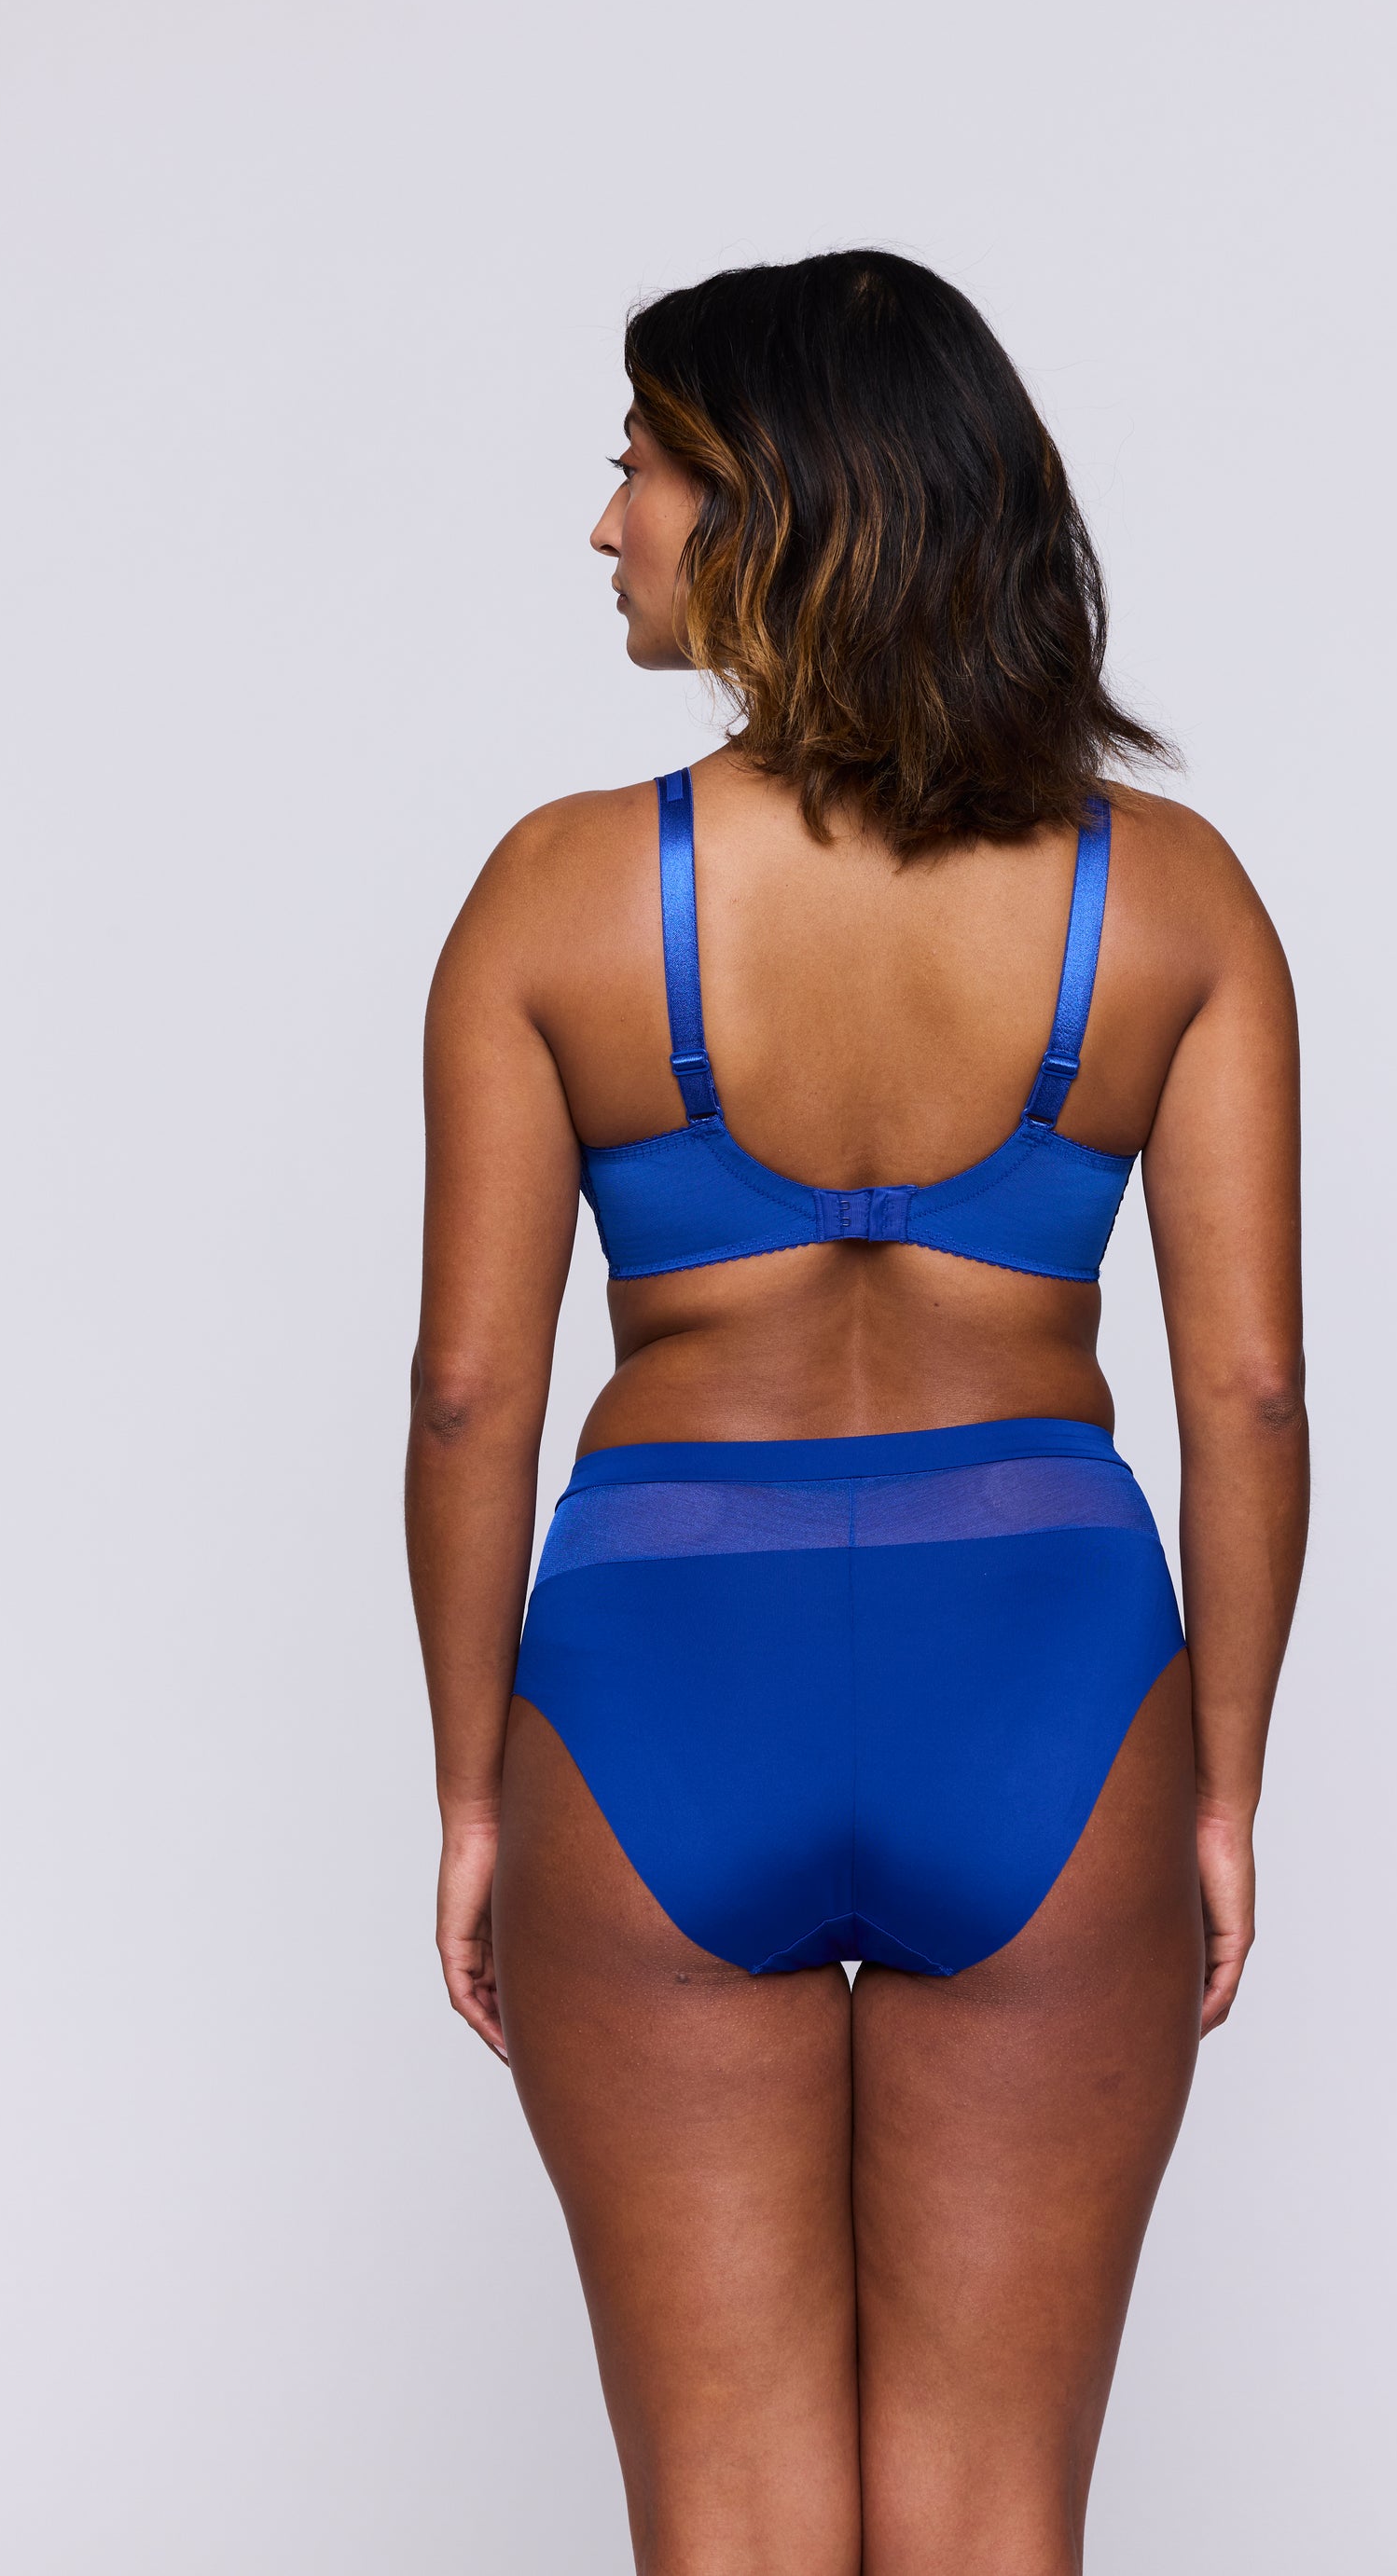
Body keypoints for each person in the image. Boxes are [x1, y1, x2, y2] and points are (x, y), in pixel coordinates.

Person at [406, 249, 1307, 2576]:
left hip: (656, 1689)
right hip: (1048, 1690)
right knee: (993, 2522)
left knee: (726, 2524)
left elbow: (471, 1391)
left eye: (638, 466)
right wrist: (1219, 1789)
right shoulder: (1169, 897)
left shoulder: (558, 893)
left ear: (776, 504)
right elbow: (1247, 1389)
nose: (603, 522)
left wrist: (471, 1789)